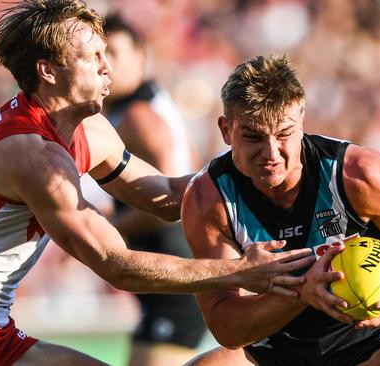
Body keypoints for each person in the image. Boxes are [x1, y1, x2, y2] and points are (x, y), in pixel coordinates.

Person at [0, 3, 316, 365]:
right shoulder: (30, 154)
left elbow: (168, 197)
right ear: (48, 71)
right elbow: (116, 266)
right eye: (92, 57)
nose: (107, 67)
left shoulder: (88, 129)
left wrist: (256, 162)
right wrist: (240, 272)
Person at [181, 55, 380, 366]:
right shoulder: (208, 199)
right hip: (278, 343)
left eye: (284, 134)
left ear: (302, 120)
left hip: (374, 338)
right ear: (226, 130)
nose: (271, 153)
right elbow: (227, 327)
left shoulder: (359, 175)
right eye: (253, 136)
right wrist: (301, 293)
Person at [102, 14, 208, 366]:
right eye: (98, 56)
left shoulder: (138, 116)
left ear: (141, 58)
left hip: (174, 280)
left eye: (114, 54)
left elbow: (174, 204)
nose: (105, 66)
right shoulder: (154, 105)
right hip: (171, 277)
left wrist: (106, 232)